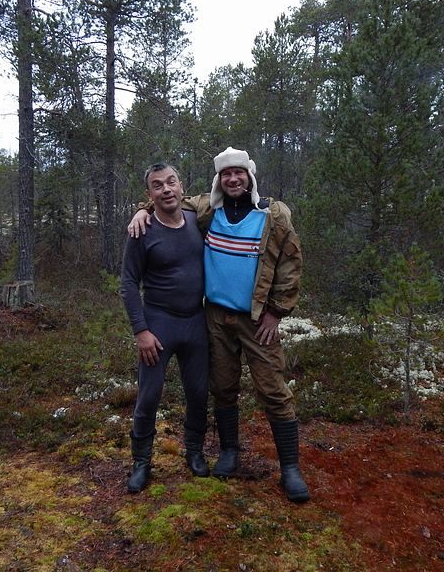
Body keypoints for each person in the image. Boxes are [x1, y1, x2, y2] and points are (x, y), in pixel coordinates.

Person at [129, 147, 309, 502]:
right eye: (226, 174)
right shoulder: (208, 209)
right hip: (215, 318)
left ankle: (290, 469)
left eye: (239, 173)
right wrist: (141, 209)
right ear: (219, 179)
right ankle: (229, 452)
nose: (233, 179)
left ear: (249, 175)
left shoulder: (272, 214)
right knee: (223, 387)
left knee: (273, 390)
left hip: (257, 319)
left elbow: (291, 264)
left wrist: (276, 312)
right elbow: (169, 199)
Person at [120, 163, 210, 493]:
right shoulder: (141, 231)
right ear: (150, 194)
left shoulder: (196, 220)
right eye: (158, 185)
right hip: (158, 324)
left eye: (171, 182)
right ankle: (141, 462)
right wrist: (141, 331)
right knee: (149, 394)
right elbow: (128, 283)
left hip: (196, 322)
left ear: (181, 185)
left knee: (198, 393)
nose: (166, 189)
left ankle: (195, 451)